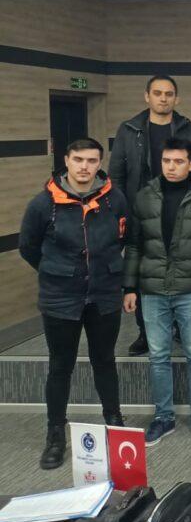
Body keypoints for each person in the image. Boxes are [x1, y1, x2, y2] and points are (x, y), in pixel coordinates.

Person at [19, 139, 129, 470]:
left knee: (105, 361)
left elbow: (124, 237)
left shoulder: (114, 199)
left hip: (104, 294)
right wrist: (58, 272)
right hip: (60, 298)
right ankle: (55, 434)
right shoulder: (43, 203)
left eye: (92, 160)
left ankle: (114, 423)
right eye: (78, 159)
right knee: (60, 366)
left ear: (100, 163)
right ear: (66, 161)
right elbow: (28, 247)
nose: (84, 166)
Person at [122, 138, 191, 446]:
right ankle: (163, 417)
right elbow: (134, 246)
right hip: (152, 289)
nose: (171, 167)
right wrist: (129, 287)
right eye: (166, 161)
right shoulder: (144, 198)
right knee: (158, 355)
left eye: (178, 162)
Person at [110, 75, 191, 356]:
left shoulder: (190, 129)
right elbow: (116, 176)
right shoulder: (129, 130)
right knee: (145, 273)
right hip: (141, 212)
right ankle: (146, 332)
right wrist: (121, 212)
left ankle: (180, 328)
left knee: (183, 269)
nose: (163, 98)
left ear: (176, 98)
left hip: (183, 210)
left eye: (169, 94)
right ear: (147, 96)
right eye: (157, 93)